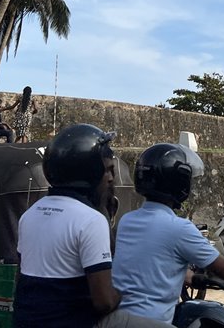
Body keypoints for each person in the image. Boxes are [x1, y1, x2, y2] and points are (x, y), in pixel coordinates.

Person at [113, 143, 224, 324]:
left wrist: (186, 275)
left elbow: (148, 262)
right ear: (180, 182)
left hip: (120, 319)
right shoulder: (179, 228)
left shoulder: (127, 221)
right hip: (153, 323)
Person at [13, 123, 164, 328]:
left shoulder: (30, 214)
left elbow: (21, 277)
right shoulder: (91, 220)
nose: (112, 179)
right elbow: (104, 302)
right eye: (108, 171)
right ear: (89, 172)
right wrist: (127, 290)